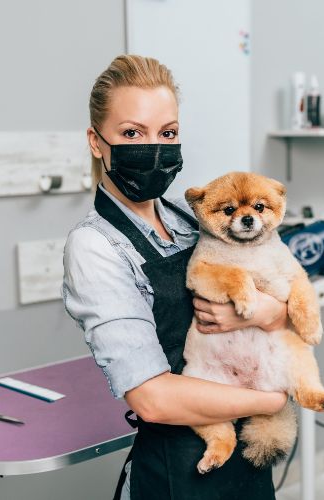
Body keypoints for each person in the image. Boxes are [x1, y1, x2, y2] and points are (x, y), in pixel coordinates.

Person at [62, 54, 289, 500]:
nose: (155, 147)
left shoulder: (194, 215)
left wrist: (267, 309)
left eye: (168, 133)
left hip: (247, 457)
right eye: (132, 133)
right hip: (178, 471)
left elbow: (277, 304)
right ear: (96, 141)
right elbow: (154, 398)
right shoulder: (95, 246)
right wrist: (273, 401)